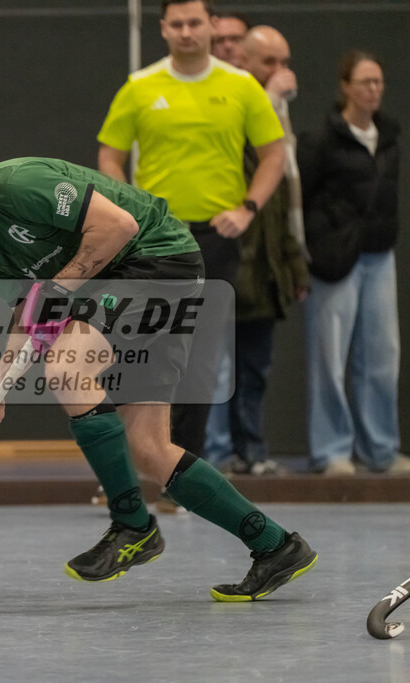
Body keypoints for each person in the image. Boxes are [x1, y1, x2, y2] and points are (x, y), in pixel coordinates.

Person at [0, 140, 317, 602]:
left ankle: (131, 526)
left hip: (158, 262)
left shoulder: (13, 184)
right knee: (148, 449)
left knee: (65, 367)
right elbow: (28, 310)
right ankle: (276, 546)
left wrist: (59, 288)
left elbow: (118, 226)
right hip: (121, 286)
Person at [96, 0, 286, 467]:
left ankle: (183, 473)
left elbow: (274, 155)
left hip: (216, 240)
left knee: (199, 359)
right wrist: (131, 214)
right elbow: (109, 157)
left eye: (194, 22)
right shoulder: (140, 87)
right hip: (154, 241)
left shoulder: (240, 86)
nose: (186, 31)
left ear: (212, 26)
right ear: (163, 29)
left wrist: (246, 209)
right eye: (176, 24)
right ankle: (126, 468)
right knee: (135, 349)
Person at [204, 26, 310, 474]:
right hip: (224, 260)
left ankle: (253, 452)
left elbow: (284, 199)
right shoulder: (232, 107)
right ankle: (209, 457)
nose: (281, 72)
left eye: (286, 62)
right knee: (213, 369)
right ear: (246, 62)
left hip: (264, 269)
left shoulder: (275, 115)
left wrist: (294, 264)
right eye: (271, 62)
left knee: (255, 369)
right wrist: (268, 97)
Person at [298, 51, 406, 475]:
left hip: (379, 256)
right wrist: (318, 245)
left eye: (378, 82)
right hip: (335, 261)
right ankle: (331, 450)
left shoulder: (391, 136)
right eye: (365, 82)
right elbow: (301, 199)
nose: (373, 90)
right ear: (346, 86)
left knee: (381, 355)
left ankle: (380, 448)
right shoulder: (323, 139)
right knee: (329, 357)